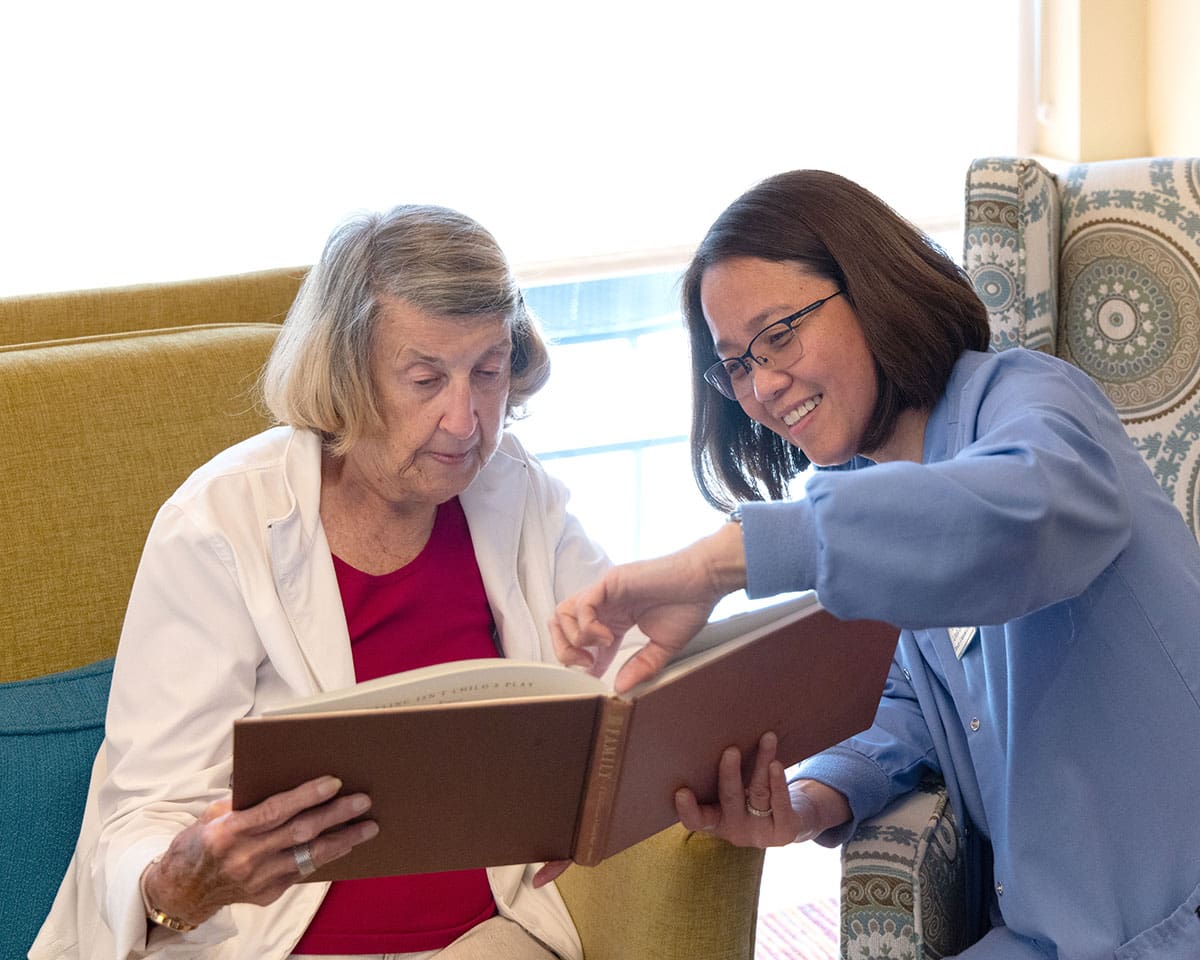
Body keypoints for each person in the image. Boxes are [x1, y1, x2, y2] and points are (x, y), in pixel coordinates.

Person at [550, 170, 1200, 959]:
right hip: (1051, 936)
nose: (761, 385)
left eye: (778, 335)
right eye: (736, 365)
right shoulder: (862, 489)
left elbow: (1017, 523)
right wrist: (808, 800)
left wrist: (723, 563)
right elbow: (914, 699)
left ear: (870, 288)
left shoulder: (1034, 403)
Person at [32, 204, 641, 960]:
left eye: (488, 371)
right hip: (270, 946)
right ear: (346, 374)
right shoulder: (220, 524)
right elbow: (141, 814)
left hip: (488, 939)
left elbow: (636, 672)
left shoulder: (513, 487)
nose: (466, 420)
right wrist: (173, 885)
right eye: (426, 379)